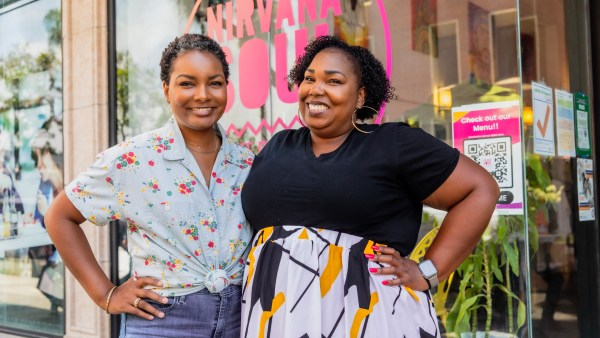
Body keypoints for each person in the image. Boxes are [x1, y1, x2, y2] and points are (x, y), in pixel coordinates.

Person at [240, 35, 499, 337]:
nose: (316, 90)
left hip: (367, 317)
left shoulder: (392, 144)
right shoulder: (277, 146)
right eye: (309, 79)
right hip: (277, 318)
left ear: (361, 96)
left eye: (334, 81)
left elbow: (480, 189)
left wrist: (428, 271)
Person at [45, 34, 254, 338]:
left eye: (215, 82)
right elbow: (59, 217)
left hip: (240, 316)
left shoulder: (247, 162)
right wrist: (106, 293)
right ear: (166, 90)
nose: (202, 95)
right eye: (186, 83)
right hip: (164, 319)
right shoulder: (133, 158)